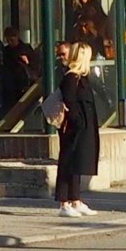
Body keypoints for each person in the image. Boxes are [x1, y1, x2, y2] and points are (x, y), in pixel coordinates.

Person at [50, 42, 104, 219]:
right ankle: (63, 202)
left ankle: (75, 200)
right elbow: (70, 102)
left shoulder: (81, 78)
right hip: (74, 127)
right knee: (68, 162)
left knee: (77, 163)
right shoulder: (71, 78)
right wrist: (78, 121)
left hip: (83, 125)